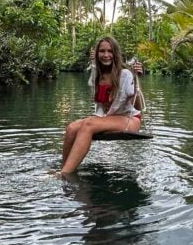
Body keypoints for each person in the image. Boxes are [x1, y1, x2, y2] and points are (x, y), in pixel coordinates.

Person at [61, 36, 143, 175]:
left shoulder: (125, 74)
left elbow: (138, 107)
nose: (106, 55)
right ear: (97, 54)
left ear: (115, 53)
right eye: (102, 51)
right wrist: (93, 62)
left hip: (129, 119)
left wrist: (136, 83)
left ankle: (64, 174)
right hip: (106, 118)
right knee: (71, 128)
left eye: (110, 51)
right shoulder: (97, 75)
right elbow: (98, 101)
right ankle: (65, 167)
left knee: (88, 125)